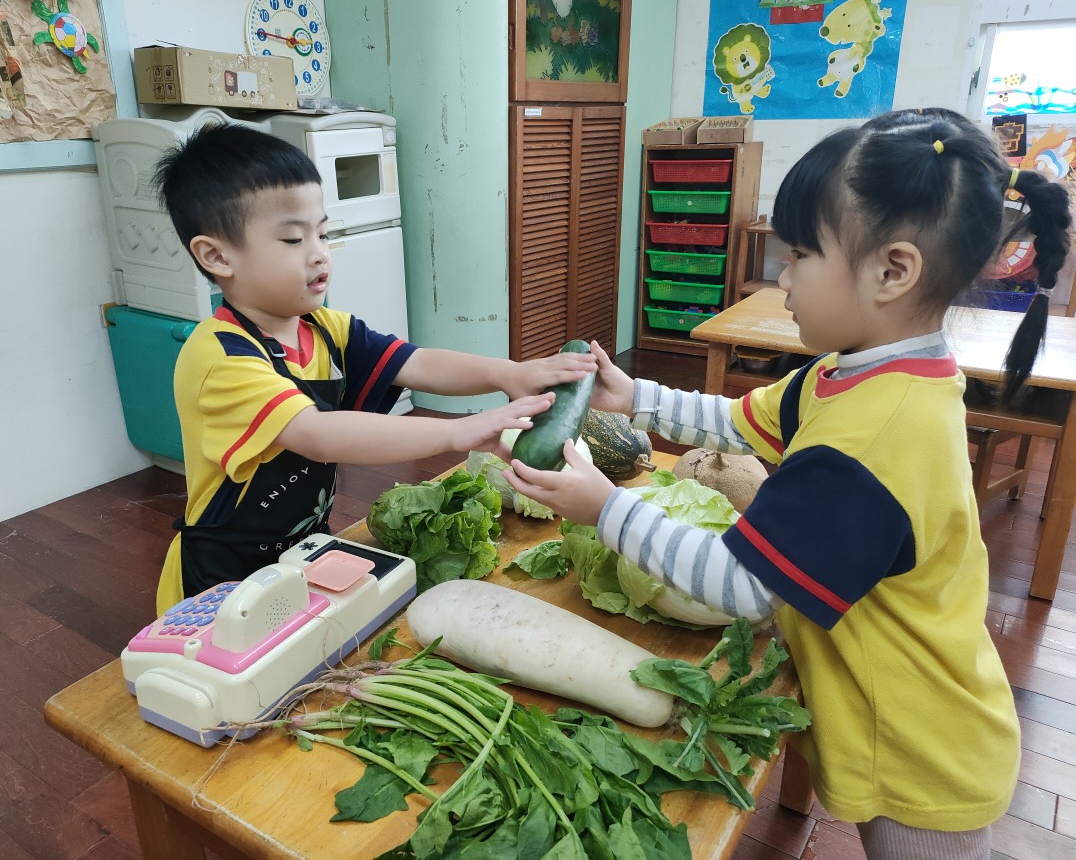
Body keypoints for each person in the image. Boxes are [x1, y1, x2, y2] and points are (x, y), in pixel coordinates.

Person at [505, 108, 1072, 860]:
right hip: (881, 716)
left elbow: (742, 585)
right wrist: (633, 395)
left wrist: (605, 508)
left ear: (893, 271)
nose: (782, 274)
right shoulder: (855, 373)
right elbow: (739, 423)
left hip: (920, 754)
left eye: (801, 253)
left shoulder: (877, 436)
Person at [151, 122, 595, 614]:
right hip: (226, 578)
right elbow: (316, 434)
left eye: (323, 233)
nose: (319, 254)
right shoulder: (221, 358)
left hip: (303, 548)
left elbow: (416, 362)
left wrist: (507, 373)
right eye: (293, 239)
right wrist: (456, 432)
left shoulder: (325, 328)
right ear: (216, 255)